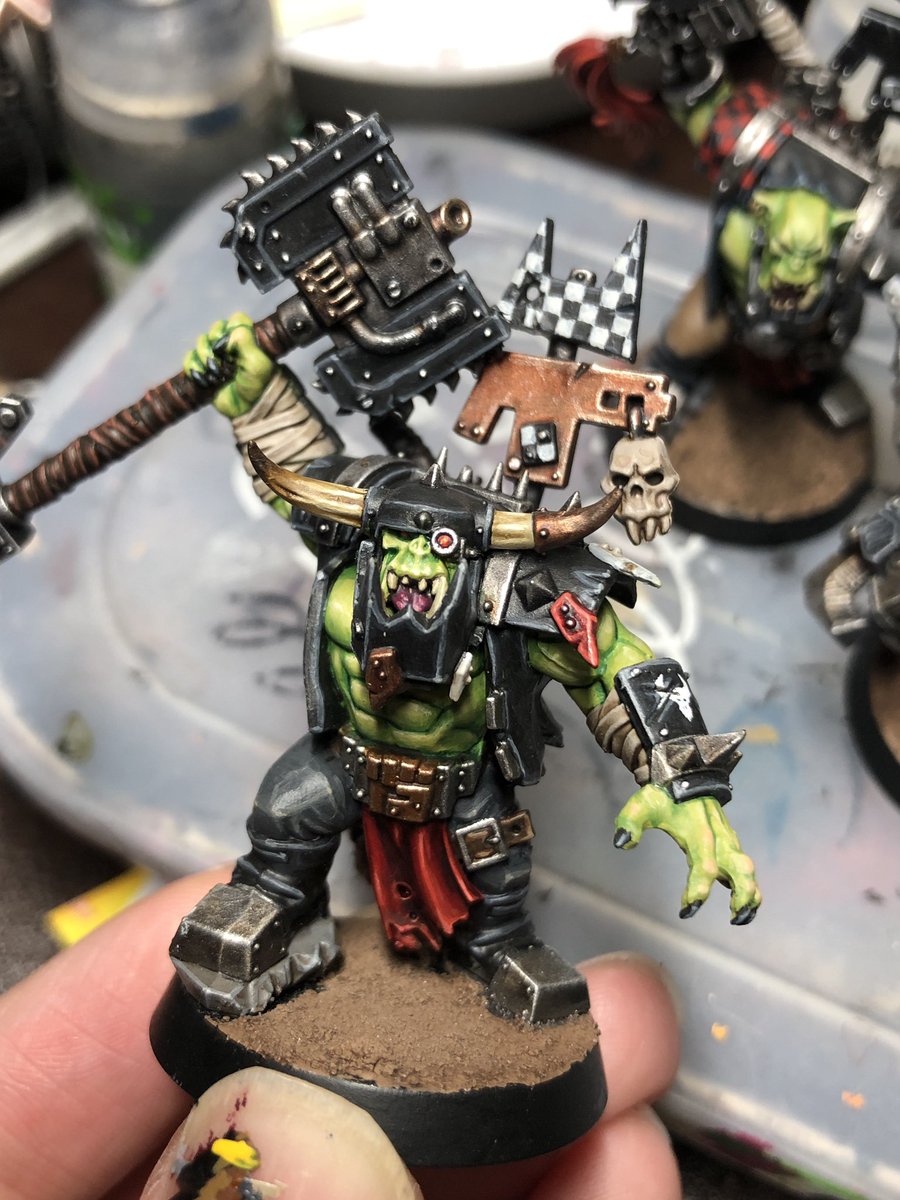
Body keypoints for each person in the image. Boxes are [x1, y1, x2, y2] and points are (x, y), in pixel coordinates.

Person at [0, 866, 682, 1199]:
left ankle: (500, 942)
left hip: (462, 775)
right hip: (353, 760)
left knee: (488, 863)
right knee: (292, 829)